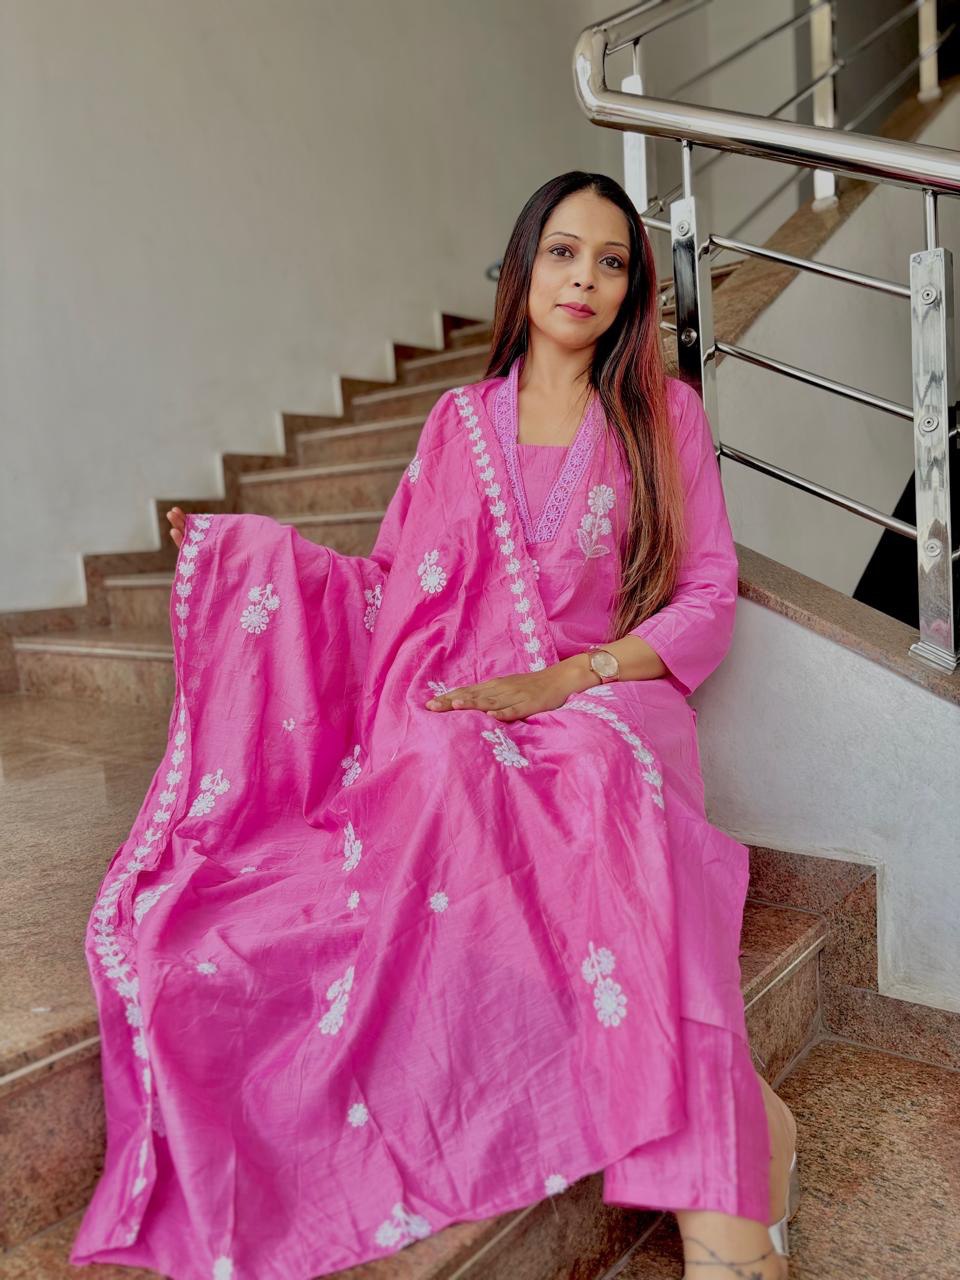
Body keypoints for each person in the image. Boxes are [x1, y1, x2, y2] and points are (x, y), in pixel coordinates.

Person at [72, 171, 797, 1280]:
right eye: (563, 253)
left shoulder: (666, 413)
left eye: (611, 261)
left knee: (596, 773)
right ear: (524, 270)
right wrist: (251, 557)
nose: (585, 279)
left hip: (607, 693)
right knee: (449, 762)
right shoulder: (459, 423)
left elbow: (705, 592)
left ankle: (724, 1226)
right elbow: (388, 587)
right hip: (464, 696)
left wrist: (572, 678)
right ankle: (755, 1132)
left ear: (634, 289)